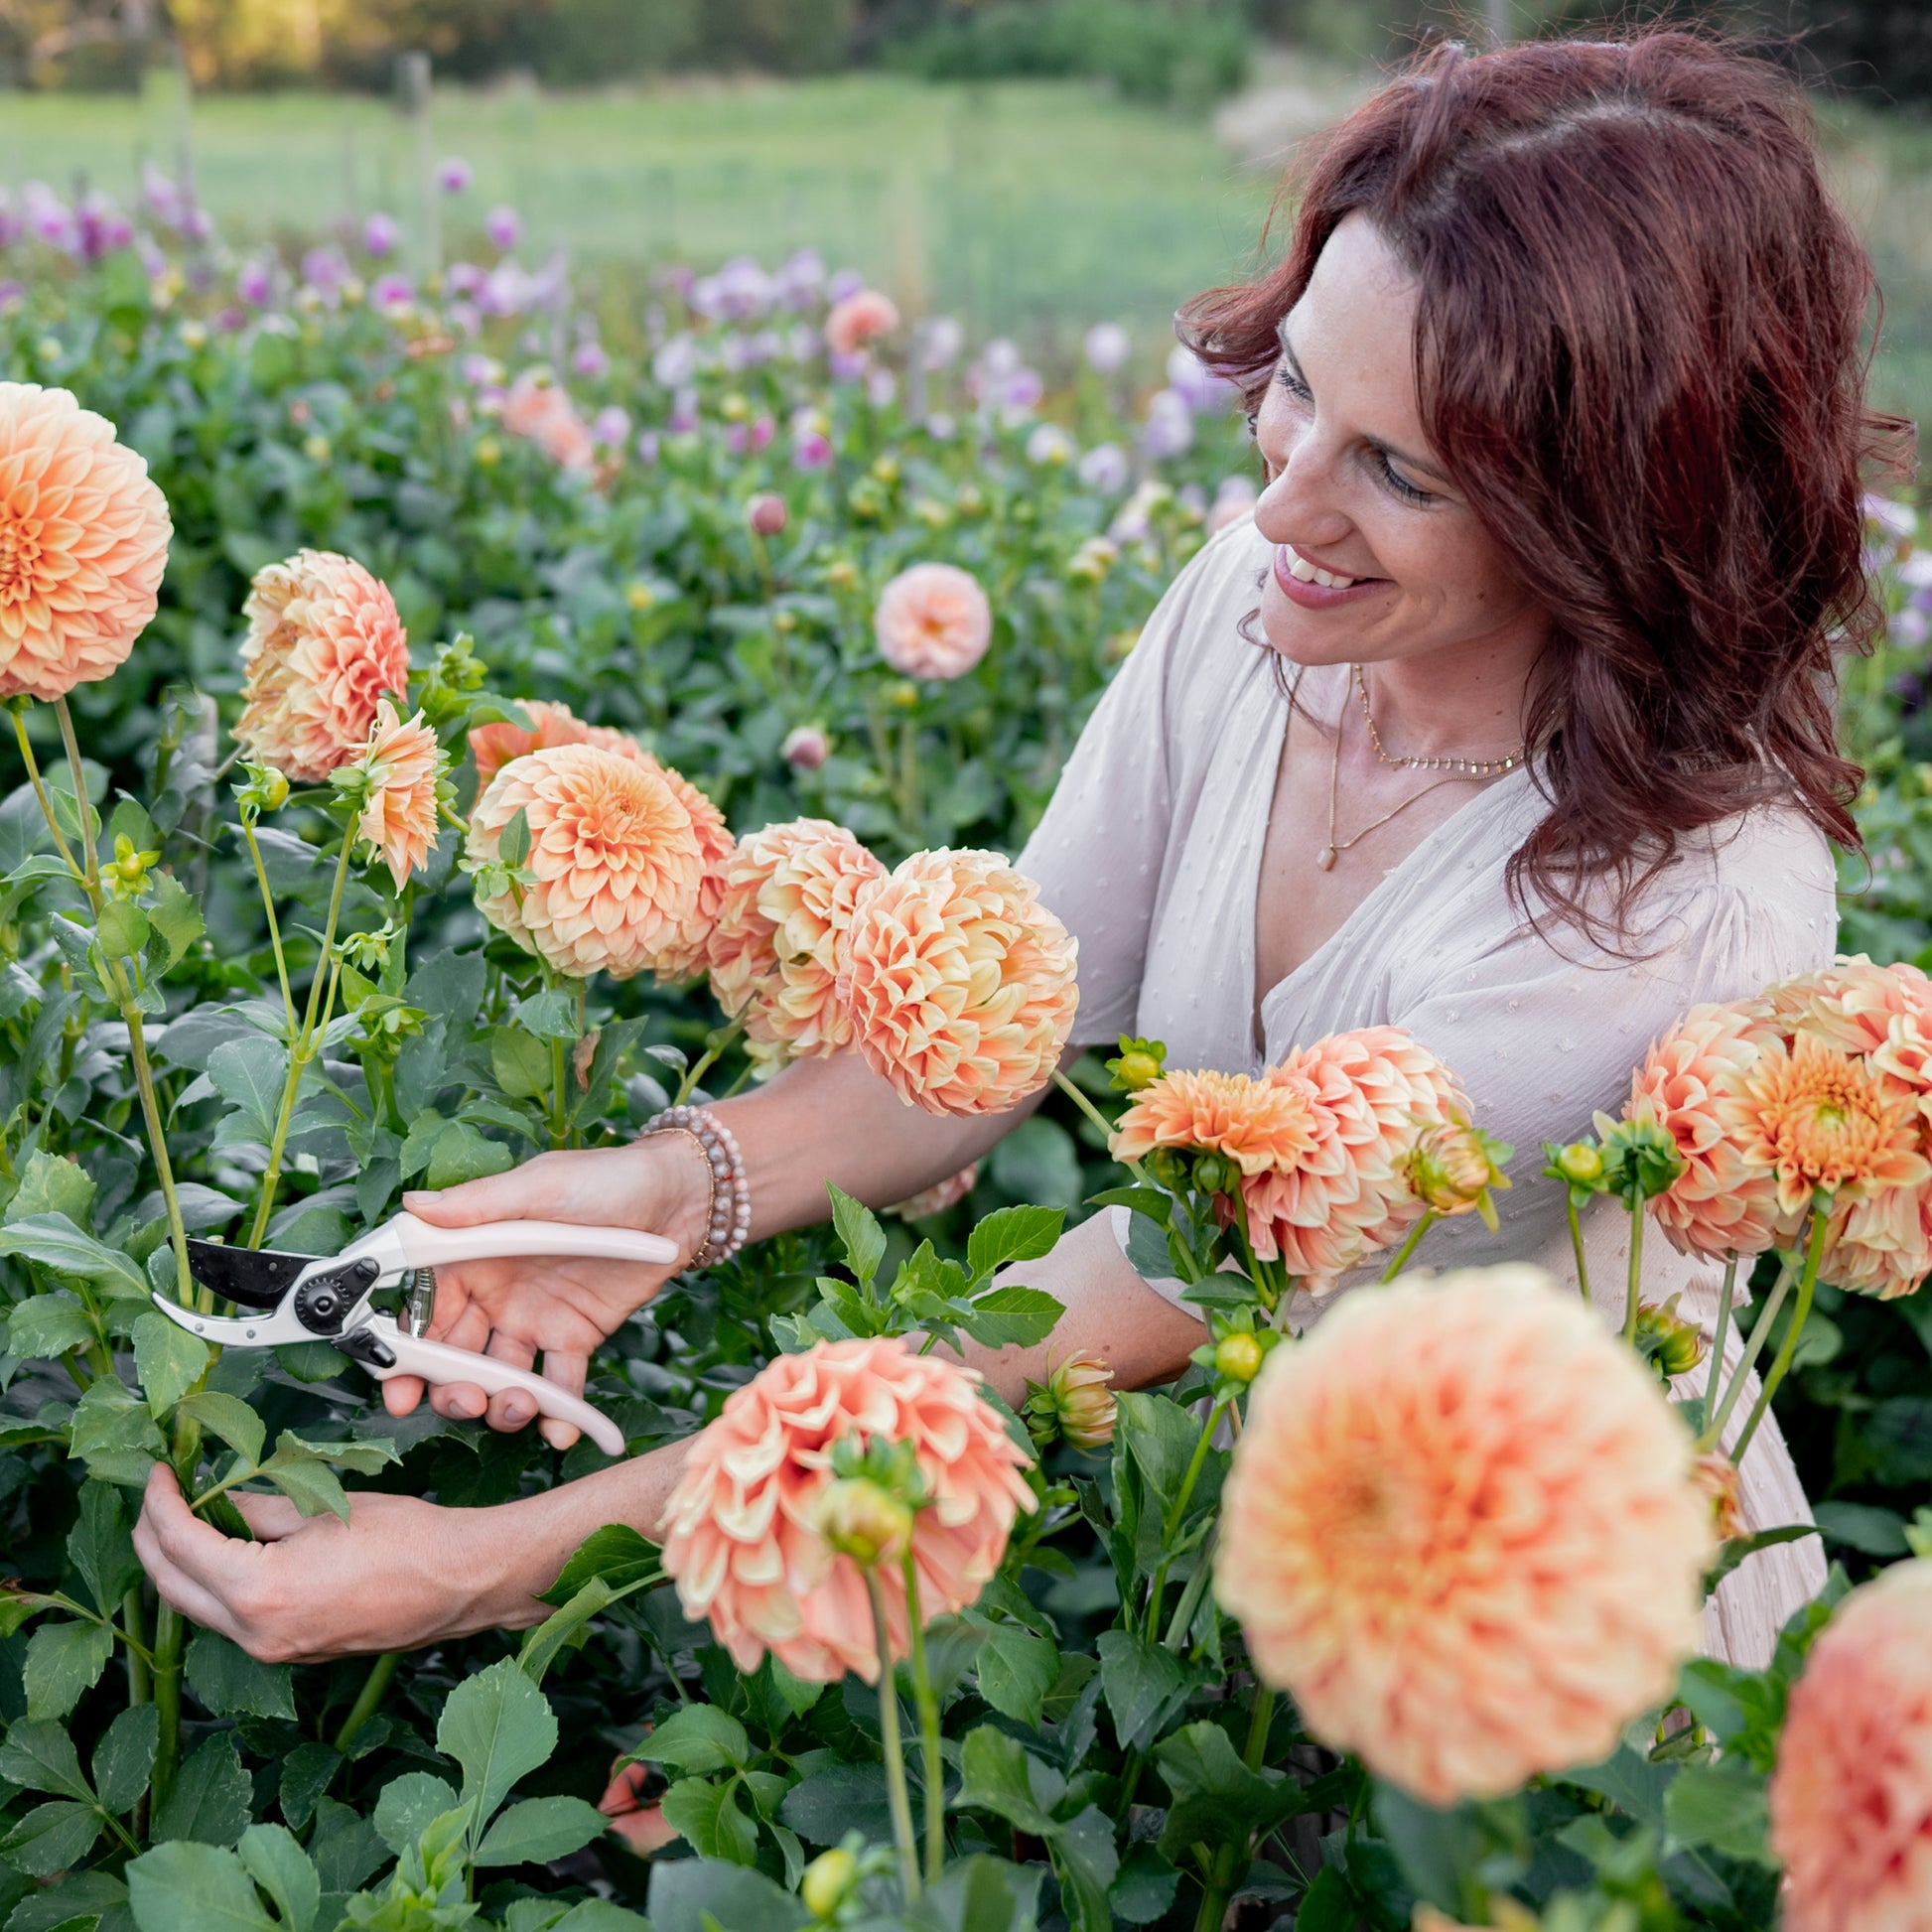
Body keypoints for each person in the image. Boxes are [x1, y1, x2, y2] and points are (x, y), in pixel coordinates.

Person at [135, 30, 1882, 1669]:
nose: (1279, 501)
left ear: (1616, 511)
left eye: (1399, 474)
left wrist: (483, 1568)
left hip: (1536, 1646)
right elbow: (999, 1032)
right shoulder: (1265, 606)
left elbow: (1135, 1291)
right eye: (1293, 383)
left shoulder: (1685, 905)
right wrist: (662, 1197)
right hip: (1220, 1553)